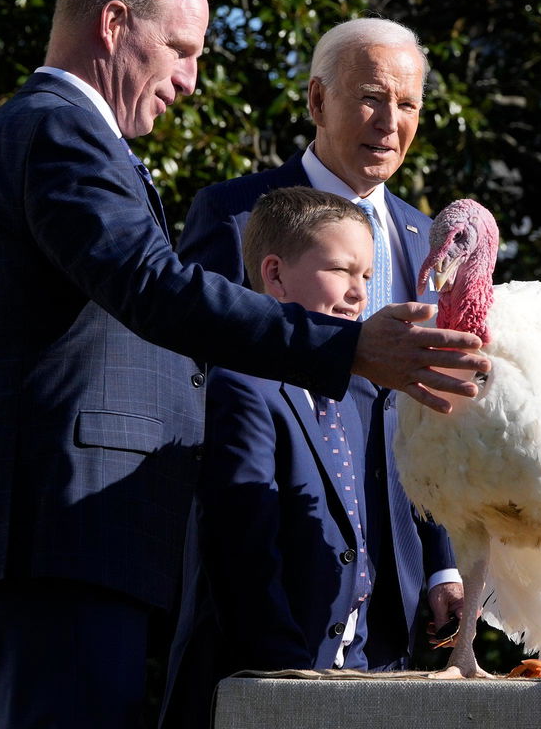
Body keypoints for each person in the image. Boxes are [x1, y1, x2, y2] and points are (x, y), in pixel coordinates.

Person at [0, 0, 487, 729]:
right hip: (59, 534)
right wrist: (346, 346)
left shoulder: (65, 135)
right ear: (114, 24)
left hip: (78, 540)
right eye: (181, 51)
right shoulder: (58, 130)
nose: (188, 81)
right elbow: (155, 287)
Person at [172, 17, 465, 674]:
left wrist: (444, 555)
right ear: (316, 100)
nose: (390, 122)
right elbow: (198, 374)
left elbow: (432, 412)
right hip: (271, 568)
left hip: (397, 588)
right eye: (371, 97)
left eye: (409, 104)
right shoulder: (235, 215)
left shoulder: (429, 239)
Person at [171, 186, 382, 726]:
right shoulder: (243, 385)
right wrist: (289, 681)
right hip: (267, 688)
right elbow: (244, 552)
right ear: (275, 275)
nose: (359, 293)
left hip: (343, 683)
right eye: (341, 270)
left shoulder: (353, 397)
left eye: (366, 275)